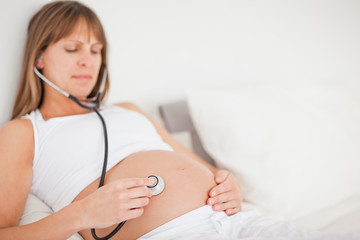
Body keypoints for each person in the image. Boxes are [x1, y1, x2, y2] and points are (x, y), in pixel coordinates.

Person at [0, 1, 358, 240]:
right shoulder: (25, 132)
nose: (88, 62)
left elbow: (203, 170)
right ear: (40, 57)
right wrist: (81, 215)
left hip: (241, 223)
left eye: (96, 51)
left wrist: (229, 185)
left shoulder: (127, 109)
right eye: (72, 48)